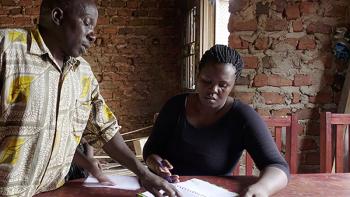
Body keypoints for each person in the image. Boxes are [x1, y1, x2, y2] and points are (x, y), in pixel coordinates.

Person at [0, 0, 180, 196]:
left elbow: (105, 129)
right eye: (87, 23)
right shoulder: (8, 49)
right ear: (58, 17)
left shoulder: (83, 72)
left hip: (51, 191)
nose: (93, 35)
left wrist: (143, 173)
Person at [143, 45, 289, 196]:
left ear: (232, 86)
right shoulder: (175, 106)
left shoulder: (242, 117)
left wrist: (262, 188)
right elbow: (151, 150)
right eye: (207, 81)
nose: (213, 89)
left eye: (223, 85)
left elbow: (277, 166)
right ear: (197, 76)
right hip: (168, 190)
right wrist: (156, 164)